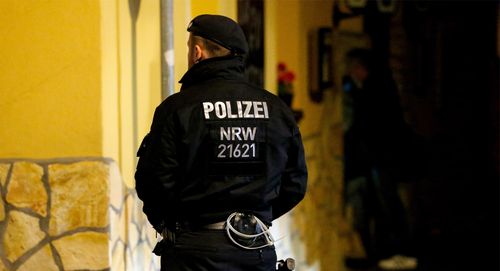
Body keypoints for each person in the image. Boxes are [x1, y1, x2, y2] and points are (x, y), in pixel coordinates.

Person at [135, 14, 307, 271]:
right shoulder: (277, 110)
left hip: (194, 253)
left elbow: (155, 183)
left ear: (197, 52)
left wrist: (177, 226)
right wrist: (255, 219)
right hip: (256, 251)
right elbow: (294, 184)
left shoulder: (177, 109)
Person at [342, 48, 420, 270]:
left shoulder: (374, 91)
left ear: (361, 69)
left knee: (388, 205)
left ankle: (399, 251)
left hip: (381, 158)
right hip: (382, 158)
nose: (351, 73)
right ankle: (394, 250)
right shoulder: (381, 88)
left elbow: (369, 125)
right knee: (387, 204)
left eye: (353, 69)